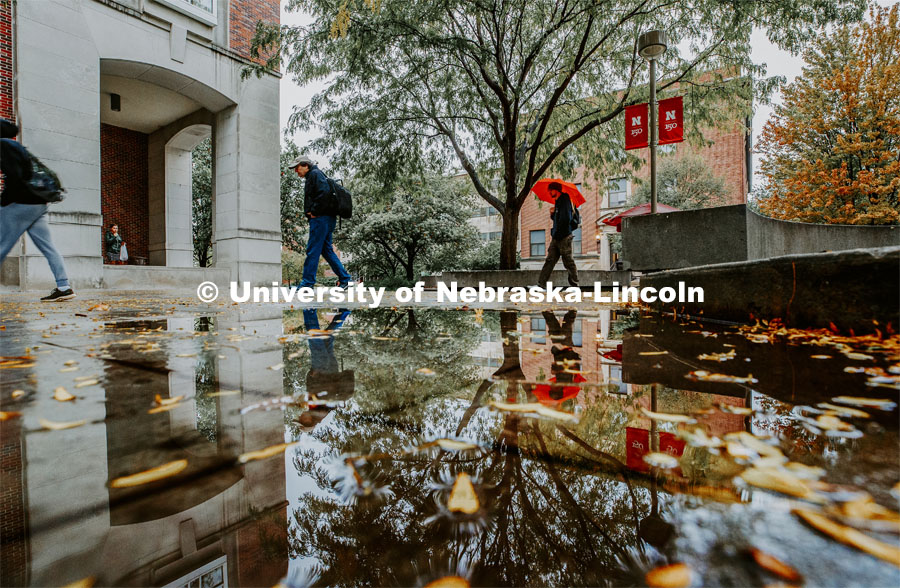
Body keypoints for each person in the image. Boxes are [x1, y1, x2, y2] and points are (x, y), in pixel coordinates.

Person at [0, 118, 76, 301]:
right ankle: (64, 287)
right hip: (39, 203)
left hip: (22, 203)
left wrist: (4, 202)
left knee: (1, 245)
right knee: (48, 247)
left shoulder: (4, 145)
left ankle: (64, 287)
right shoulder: (18, 147)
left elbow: (16, 177)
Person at [288, 155, 353, 288]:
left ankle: (307, 284)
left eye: (297, 168)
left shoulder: (314, 174)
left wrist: (314, 212)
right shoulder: (317, 174)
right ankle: (345, 279)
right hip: (328, 219)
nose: (296, 171)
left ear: (305, 165)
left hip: (320, 219)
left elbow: (324, 193)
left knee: (312, 250)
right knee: (327, 250)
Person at [295, 308, 355, 432]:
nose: (299, 417)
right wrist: (314, 376)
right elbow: (325, 392)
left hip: (330, 370)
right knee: (314, 336)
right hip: (322, 370)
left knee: (328, 337)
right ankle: (309, 310)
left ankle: (344, 313)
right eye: (301, 420)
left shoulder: (319, 411)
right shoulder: (318, 412)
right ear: (308, 421)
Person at [536, 182, 579, 288]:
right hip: (556, 237)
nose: (549, 192)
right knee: (549, 261)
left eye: (550, 190)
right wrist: (553, 214)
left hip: (564, 237)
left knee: (568, 262)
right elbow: (558, 219)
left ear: (556, 190)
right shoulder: (558, 202)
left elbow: (566, 219)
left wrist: (559, 233)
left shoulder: (565, 200)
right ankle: (541, 285)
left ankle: (575, 286)